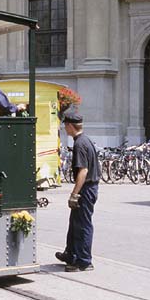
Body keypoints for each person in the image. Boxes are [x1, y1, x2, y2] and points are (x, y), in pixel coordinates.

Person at [56, 112, 101, 272]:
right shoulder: (85, 140)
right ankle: (71, 254)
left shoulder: (80, 144)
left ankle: (84, 261)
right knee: (75, 223)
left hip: (86, 189)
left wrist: (74, 194)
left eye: (64, 125)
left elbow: (83, 171)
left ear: (69, 126)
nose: (64, 128)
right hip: (90, 187)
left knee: (82, 225)